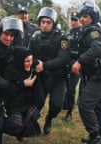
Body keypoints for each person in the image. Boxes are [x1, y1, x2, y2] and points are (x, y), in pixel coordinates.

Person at [71, 2, 101, 143]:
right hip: (94, 75)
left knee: (85, 105)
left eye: (86, 16)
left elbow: (97, 49)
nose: (82, 19)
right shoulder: (85, 31)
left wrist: (79, 62)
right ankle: (100, 136)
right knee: (98, 107)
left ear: (93, 18)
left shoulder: (94, 31)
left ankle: (95, 137)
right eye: (81, 16)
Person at [29, 7, 70, 135]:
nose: (45, 25)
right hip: (42, 77)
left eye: (48, 22)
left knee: (57, 105)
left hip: (58, 78)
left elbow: (63, 59)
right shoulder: (34, 37)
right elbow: (30, 54)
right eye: (43, 22)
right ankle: (28, 125)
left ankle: (49, 119)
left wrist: (45, 66)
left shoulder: (62, 39)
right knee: (36, 103)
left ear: (54, 23)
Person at [2, 46, 44, 141]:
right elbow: (8, 90)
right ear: (19, 60)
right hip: (14, 104)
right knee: (16, 124)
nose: (30, 64)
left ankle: (20, 133)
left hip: (27, 103)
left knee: (32, 121)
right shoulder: (9, 71)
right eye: (26, 61)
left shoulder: (32, 70)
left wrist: (36, 77)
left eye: (31, 60)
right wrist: (23, 84)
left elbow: (39, 94)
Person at [63, 11, 81, 121]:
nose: (73, 22)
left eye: (75, 20)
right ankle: (65, 105)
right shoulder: (67, 33)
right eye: (72, 20)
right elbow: (63, 46)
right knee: (65, 86)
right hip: (66, 63)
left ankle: (70, 111)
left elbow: (82, 51)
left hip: (76, 63)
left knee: (71, 89)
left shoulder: (82, 33)